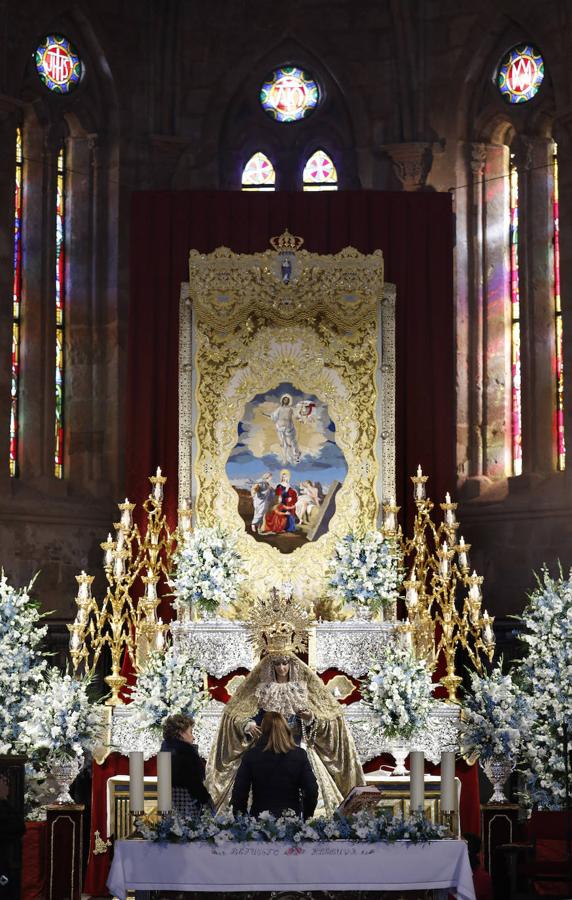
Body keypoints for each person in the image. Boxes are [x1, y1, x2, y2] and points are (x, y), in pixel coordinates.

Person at [206, 653, 365, 815]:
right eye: (277, 664)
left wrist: (310, 719)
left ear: (291, 665)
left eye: (285, 663)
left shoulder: (303, 689)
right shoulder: (261, 689)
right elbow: (239, 714)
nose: (282, 668)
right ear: (271, 666)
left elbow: (326, 719)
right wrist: (248, 724)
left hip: (297, 746)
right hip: (265, 751)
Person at [231, 712, 318, 820]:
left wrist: (241, 821)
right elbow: (311, 790)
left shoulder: (251, 755)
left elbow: (239, 792)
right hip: (292, 824)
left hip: (259, 823)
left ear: (263, 730)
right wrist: (306, 817)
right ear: (285, 729)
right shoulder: (299, 755)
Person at [161, 714, 213, 816]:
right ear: (181, 733)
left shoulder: (167, 749)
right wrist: (208, 802)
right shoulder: (185, 753)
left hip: (170, 804)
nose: (193, 737)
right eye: (191, 732)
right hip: (187, 804)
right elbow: (194, 785)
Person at [264, 469, 298, 534]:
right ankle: (280, 527)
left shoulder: (290, 485)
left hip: (288, 502)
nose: (284, 478)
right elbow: (278, 493)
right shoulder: (279, 485)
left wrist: (291, 498)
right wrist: (285, 492)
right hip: (281, 501)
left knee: (290, 509)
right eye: (283, 476)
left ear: (288, 477)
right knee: (280, 512)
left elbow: (293, 494)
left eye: (285, 476)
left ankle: (289, 527)